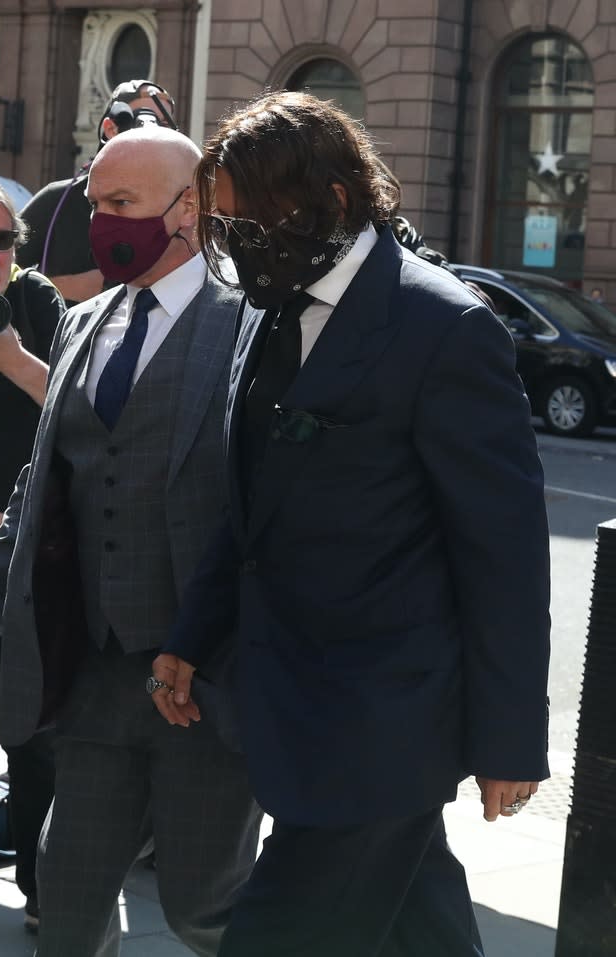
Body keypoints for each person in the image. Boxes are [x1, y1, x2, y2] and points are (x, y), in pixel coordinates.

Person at [152, 91, 551, 957]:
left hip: (384, 725)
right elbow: (250, 503)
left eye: (258, 222)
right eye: (228, 226)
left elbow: (506, 555)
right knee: (426, 928)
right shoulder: (269, 306)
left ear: (335, 198)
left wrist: (511, 737)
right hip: (289, 697)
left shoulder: (445, 328)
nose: (243, 245)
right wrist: (194, 634)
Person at [0, 126, 261, 957]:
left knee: (203, 907)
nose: (101, 223)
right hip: (95, 678)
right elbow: (43, 489)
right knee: (65, 900)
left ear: (190, 207)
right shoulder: (83, 322)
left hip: (204, 689)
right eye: (95, 203)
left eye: (120, 204)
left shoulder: (251, 324)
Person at [0, 170, 65, 929]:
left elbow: (81, 408)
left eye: (0, 238)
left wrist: (8, 357)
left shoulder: (35, 302)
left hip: (15, 567)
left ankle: (46, 890)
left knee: (30, 729)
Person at [17, 79, 176, 306]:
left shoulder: (177, 209)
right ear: (111, 128)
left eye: (166, 124)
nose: (156, 132)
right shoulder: (57, 200)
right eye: (146, 119)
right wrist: (60, 287)